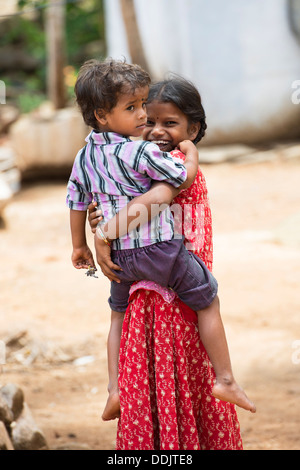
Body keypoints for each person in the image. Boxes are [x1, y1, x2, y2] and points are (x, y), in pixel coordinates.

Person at [67, 58, 255, 426]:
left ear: (193, 126)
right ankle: (227, 378)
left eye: (165, 122)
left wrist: (89, 239)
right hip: (160, 254)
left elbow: (77, 198)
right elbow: (174, 185)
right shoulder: (142, 154)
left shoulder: (85, 154)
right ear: (104, 114)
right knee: (209, 299)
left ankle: (114, 389)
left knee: (116, 315)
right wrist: (192, 156)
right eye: (139, 112)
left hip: (121, 257)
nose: (148, 126)